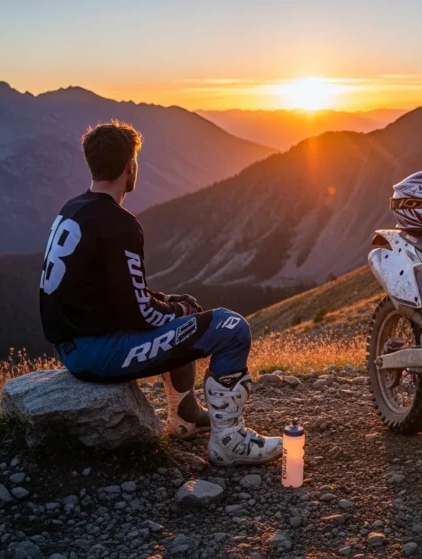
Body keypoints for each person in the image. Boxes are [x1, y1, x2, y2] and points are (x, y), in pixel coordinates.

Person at [38, 120, 281, 466]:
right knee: (231, 327)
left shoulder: (72, 209)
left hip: (73, 346)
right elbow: (141, 313)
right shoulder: (118, 222)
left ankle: (185, 417)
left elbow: (118, 294)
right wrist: (179, 311)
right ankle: (229, 442)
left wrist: (173, 305)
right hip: (96, 353)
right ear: (129, 167)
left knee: (182, 316)